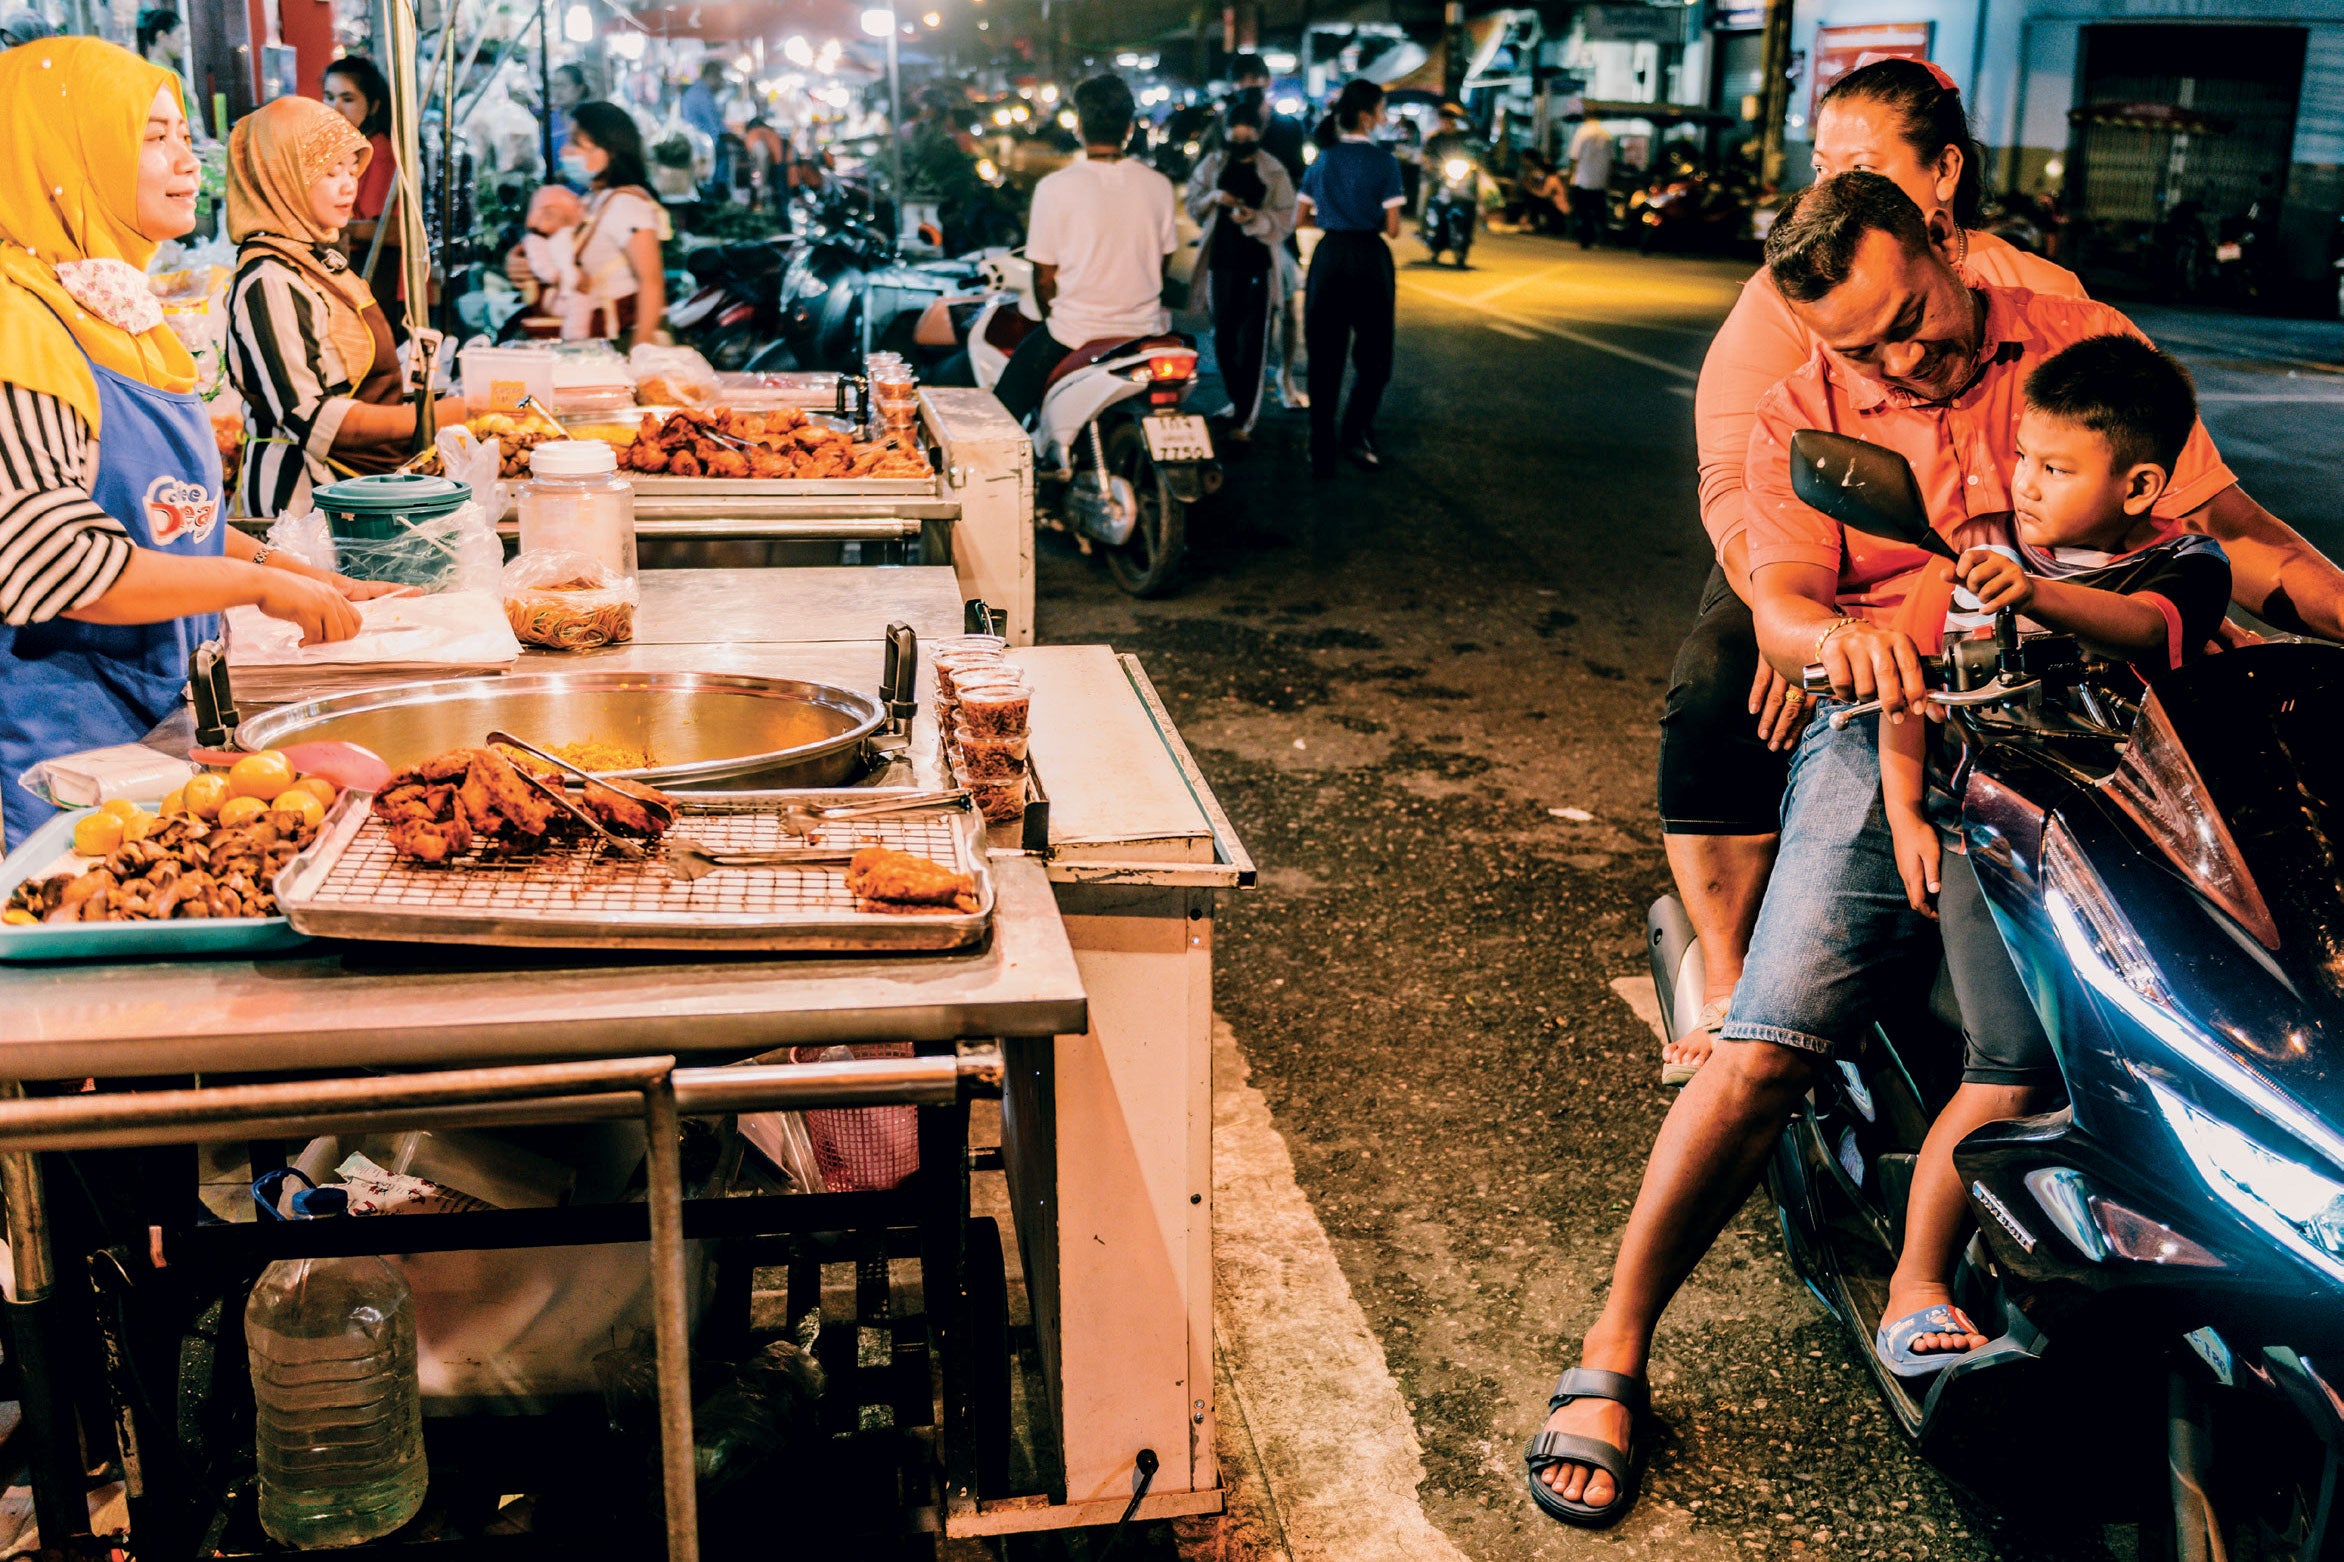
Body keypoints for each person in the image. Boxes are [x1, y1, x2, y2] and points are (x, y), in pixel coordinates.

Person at [1521, 170, 2287, 1527]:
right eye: (1862, 347)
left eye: (1915, 321)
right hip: (1899, 716)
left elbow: (2219, 540)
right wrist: (1846, 650)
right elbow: (1781, 612)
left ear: (1946, 247)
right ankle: (1614, 1346)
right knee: (1767, 1045)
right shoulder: (1800, 410)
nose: (1903, 361)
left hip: (2106, 725)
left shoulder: (2067, 335)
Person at [1657, 56, 2344, 1088]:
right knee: (1727, 678)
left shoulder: (2056, 305)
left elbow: (2202, 516)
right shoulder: (1798, 300)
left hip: (2035, 603)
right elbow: (1733, 475)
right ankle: (1728, 972)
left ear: (1940, 180)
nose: (1826, 184)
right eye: (1820, 162)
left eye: (1857, 162)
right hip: (1830, 560)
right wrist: (1796, 616)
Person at [1873, 334, 2231, 1372]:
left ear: (2140, 484)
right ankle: (1915, 1281)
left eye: (2057, 467)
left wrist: (2031, 594)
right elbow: (1912, 691)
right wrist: (1905, 812)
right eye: (2022, 457)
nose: (2026, 483)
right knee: (2012, 1066)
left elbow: (2147, 629)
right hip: (1993, 838)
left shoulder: (2184, 562)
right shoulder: (1979, 553)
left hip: (2123, 851)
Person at [0, 40, 391, 845]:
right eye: (151, 137)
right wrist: (254, 591)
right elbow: (54, 562)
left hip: (146, 741)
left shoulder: (110, 314)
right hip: (57, 777)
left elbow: (167, 522)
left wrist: (291, 572)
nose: (187, 161)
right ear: (66, 152)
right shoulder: (19, 328)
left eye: (183, 135)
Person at [226, 94, 468, 517]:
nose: (348, 185)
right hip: (301, 505)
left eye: (351, 169)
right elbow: (312, 416)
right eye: (328, 171)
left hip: (357, 489)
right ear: (280, 178)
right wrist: (443, 413)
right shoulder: (268, 279)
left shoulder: (315, 258)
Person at [992, 74, 1176, 426]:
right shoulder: (1159, 186)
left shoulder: (1055, 187)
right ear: (1129, 128)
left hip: (1074, 333)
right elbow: (1161, 265)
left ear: (1079, 126)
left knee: (1002, 418)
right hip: (1144, 330)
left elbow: (1044, 279)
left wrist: (1058, 317)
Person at [1297, 78, 1404, 476]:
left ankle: (1319, 442)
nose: (1385, 116)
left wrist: (1332, 214)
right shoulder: (1384, 162)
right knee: (1374, 357)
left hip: (1329, 258)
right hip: (1369, 259)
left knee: (1325, 355)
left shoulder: (1322, 159)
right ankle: (1355, 433)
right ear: (1367, 116)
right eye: (1382, 109)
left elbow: (1300, 218)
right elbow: (1393, 228)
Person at [506, 102, 668, 345]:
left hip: (619, 340)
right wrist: (519, 262)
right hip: (591, 338)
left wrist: (640, 350)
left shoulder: (628, 204)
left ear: (609, 151)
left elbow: (651, 282)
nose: (564, 152)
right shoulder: (591, 200)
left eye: (575, 143)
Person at [1185, 89, 1297, 440]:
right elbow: (1192, 204)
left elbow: (1286, 217)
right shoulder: (1214, 164)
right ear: (1227, 129)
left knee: (1253, 345)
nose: (1242, 134)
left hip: (1258, 267)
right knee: (1223, 341)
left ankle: (1243, 422)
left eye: (1249, 127)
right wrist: (1214, 198)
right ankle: (1237, 402)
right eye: (1237, 127)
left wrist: (1253, 218)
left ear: (1259, 131)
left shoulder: (1273, 169)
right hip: (1220, 262)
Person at [321, 56, 404, 342]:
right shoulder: (349, 147)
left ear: (374, 105)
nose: (335, 107)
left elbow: (390, 232)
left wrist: (332, 224)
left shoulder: (378, 152)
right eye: (329, 96)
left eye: (348, 98)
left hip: (380, 272)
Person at [1565, 116, 1613, 248]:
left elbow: (1574, 156)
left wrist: (1570, 176)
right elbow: (1610, 161)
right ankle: (1600, 239)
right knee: (1598, 211)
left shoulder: (1582, 132)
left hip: (1583, 179)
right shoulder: (1606, 135)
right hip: (1600, 180)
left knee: (1583, 211)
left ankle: (1585, 240)